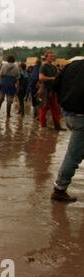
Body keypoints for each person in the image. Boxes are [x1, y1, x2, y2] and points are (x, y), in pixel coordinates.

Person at [51, 59, 84, 202]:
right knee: (73, 155)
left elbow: (55, 85)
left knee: (76, 152)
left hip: (69, 114)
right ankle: (59, 189)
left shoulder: (72, 65)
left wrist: (64, 102)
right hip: (81, 116)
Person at [39, 51, 65, 131]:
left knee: (55, 108)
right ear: (46, 57)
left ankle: (57, 126)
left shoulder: (54, 67)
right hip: (45, 89)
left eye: (53, 56)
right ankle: (43, 126)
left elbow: (58, 75)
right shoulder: (43, 66)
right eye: (50, 56)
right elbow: (41, 78)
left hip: (53, 89)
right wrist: (52, 78)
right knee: (44, 107)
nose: (52, 58)